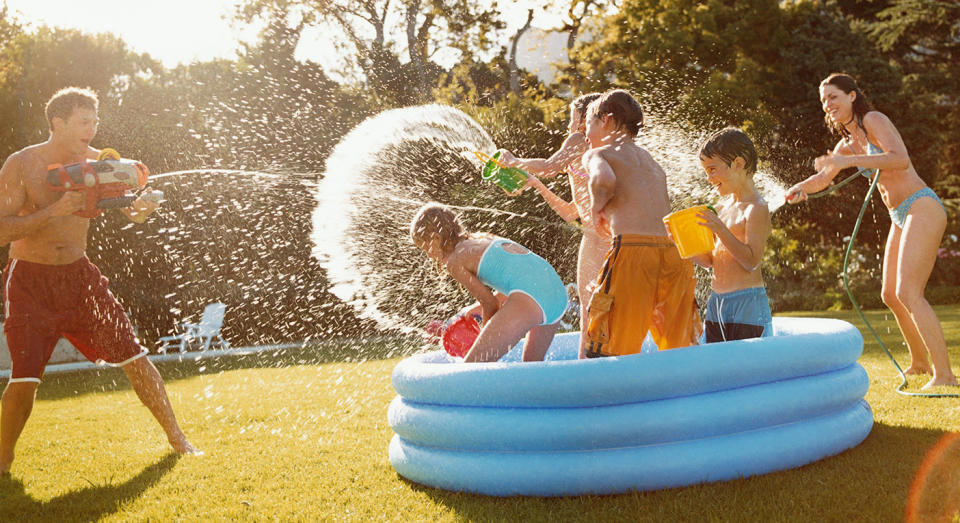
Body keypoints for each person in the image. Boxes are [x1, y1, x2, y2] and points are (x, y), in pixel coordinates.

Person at [0, 87, 200, 476]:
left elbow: (133, 213)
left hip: (80, 279)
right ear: (57, 123)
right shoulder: (23, 164)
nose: (92, 130)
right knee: (25, 379)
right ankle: (3, 460)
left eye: (95, 121)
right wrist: (57, 210)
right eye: (83, 122)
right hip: (29, 282)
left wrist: (143, 208)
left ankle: (179, 440)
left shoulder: (101, 164)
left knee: (135, 357)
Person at [786, 73, 957, 389]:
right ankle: (919, 364)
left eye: (833, 97)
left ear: (852, 96)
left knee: (909, 292)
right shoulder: (846, 144)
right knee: (890, 294)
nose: (828, 104)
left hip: (921, 205)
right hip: (898, 215)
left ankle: (944, 375)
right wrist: (799, 188)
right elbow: (824, 177)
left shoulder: (873, 120)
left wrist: (847, 161)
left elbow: (900, 160)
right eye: (824, 100)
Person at [581, 89, 699, 358]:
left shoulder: (599, 154)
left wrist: (596, 208)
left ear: (607, 121)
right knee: (679, 349)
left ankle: (612, 398)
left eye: (588, 123)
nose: (584, 133)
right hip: (674, 254)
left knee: (610, 349)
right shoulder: (651, 161)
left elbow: (604, 180)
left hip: (634, 253)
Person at [496, 93, 610, 354]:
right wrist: (537, 185)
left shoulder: (581, 139)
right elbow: (572, 213)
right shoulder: (595, 151)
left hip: (597, 239)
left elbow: (550, 166)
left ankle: (586, 368)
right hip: (603, 234)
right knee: (604, 307)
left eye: (573, 120)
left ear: (586, 120)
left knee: (589, 309)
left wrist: (514, 161)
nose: (569, 127)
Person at [409, 202, 567, 362]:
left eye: (425, 248)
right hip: (557, 292)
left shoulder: (455, 261)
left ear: (436, 238)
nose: (429, 256)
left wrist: (483, 336)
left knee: (473, 368)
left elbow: (490, 304)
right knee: (532, 369)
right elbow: (519, 275)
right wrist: (480, 307)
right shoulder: (482, 238)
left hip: (533, 296)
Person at [689, 128, 772, 343]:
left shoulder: (756, 208)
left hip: (747, 302)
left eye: (713, 169)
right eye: (706, 171)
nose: (709, 178)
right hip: (717, 301)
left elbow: (751, 261)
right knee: (716, 367)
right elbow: (709, 261)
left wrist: (721, 230)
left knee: (750, 368)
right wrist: (684, 243)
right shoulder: (722, 208)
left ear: (738, 164)